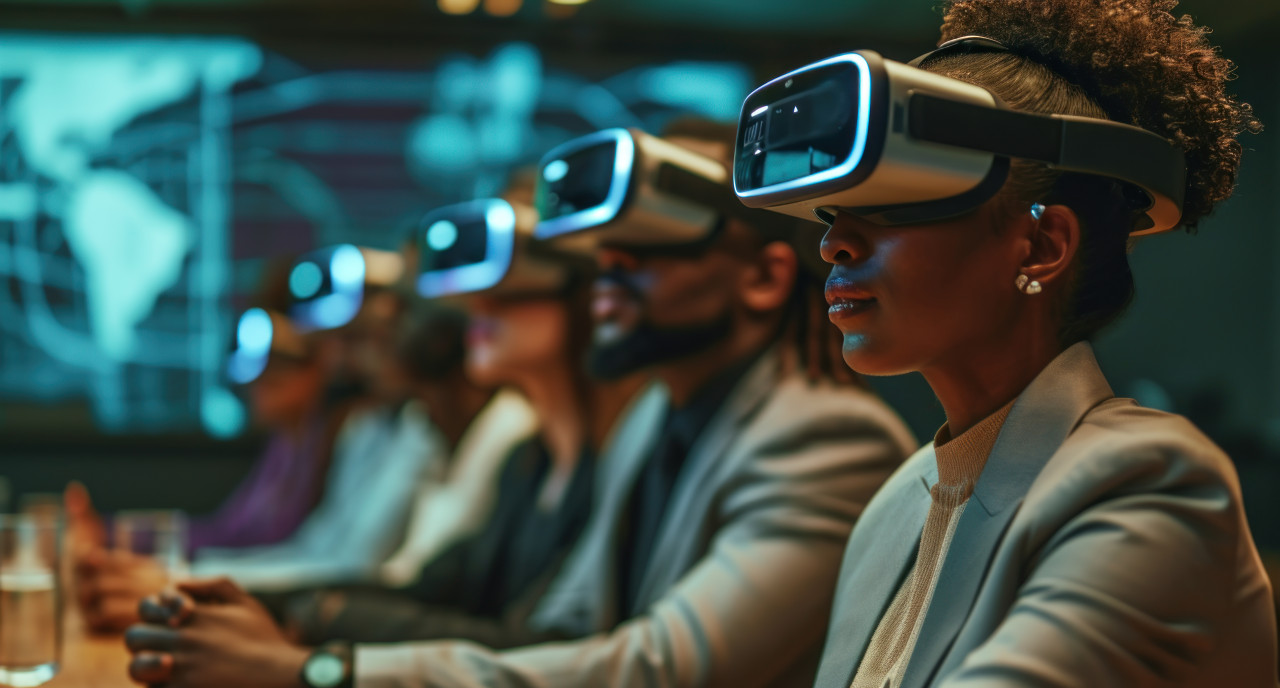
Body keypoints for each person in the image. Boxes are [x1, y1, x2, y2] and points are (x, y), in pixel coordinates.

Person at [121, 127, 916, 688]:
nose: (602, 277)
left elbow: (660, 669)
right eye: (596, 258)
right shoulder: (652, 421)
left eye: (643, 252)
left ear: (764, 278)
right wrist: (282, 620)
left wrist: (316, 667)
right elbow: (565, 632)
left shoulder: (823, 436)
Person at [730, 1, 1274, 686]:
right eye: (834, 214)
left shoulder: (1147, 482)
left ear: (1043, 245)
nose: (834, 242)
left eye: (894, 205)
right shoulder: (895, 504)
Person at [280, 198, 644, 646]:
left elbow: (544, 643)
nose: (477, 303)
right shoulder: (527, 462)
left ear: (581, 291)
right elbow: (438, 587)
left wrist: (327, 630)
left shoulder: (616, 462)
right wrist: (287, 607)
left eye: (515, 285)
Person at [189, 296, 491, 592]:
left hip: (364, 594)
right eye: (359, 343)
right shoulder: (365, 428)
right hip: (339, 586)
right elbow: (317, 546)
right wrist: (202, 570)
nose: (362, 358)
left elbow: (358, 563)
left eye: (381, 340)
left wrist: (205, 573)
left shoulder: (417, 427)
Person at [70, 308, 342, 632]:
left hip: (264, 609)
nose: (257, 383)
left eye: (277, 372)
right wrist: (109, 532)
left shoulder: (328, 444)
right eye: (257, 371)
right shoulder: (284, 445)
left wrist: (176, 577)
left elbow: (267, 542)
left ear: (316, 371)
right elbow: (228, 530)